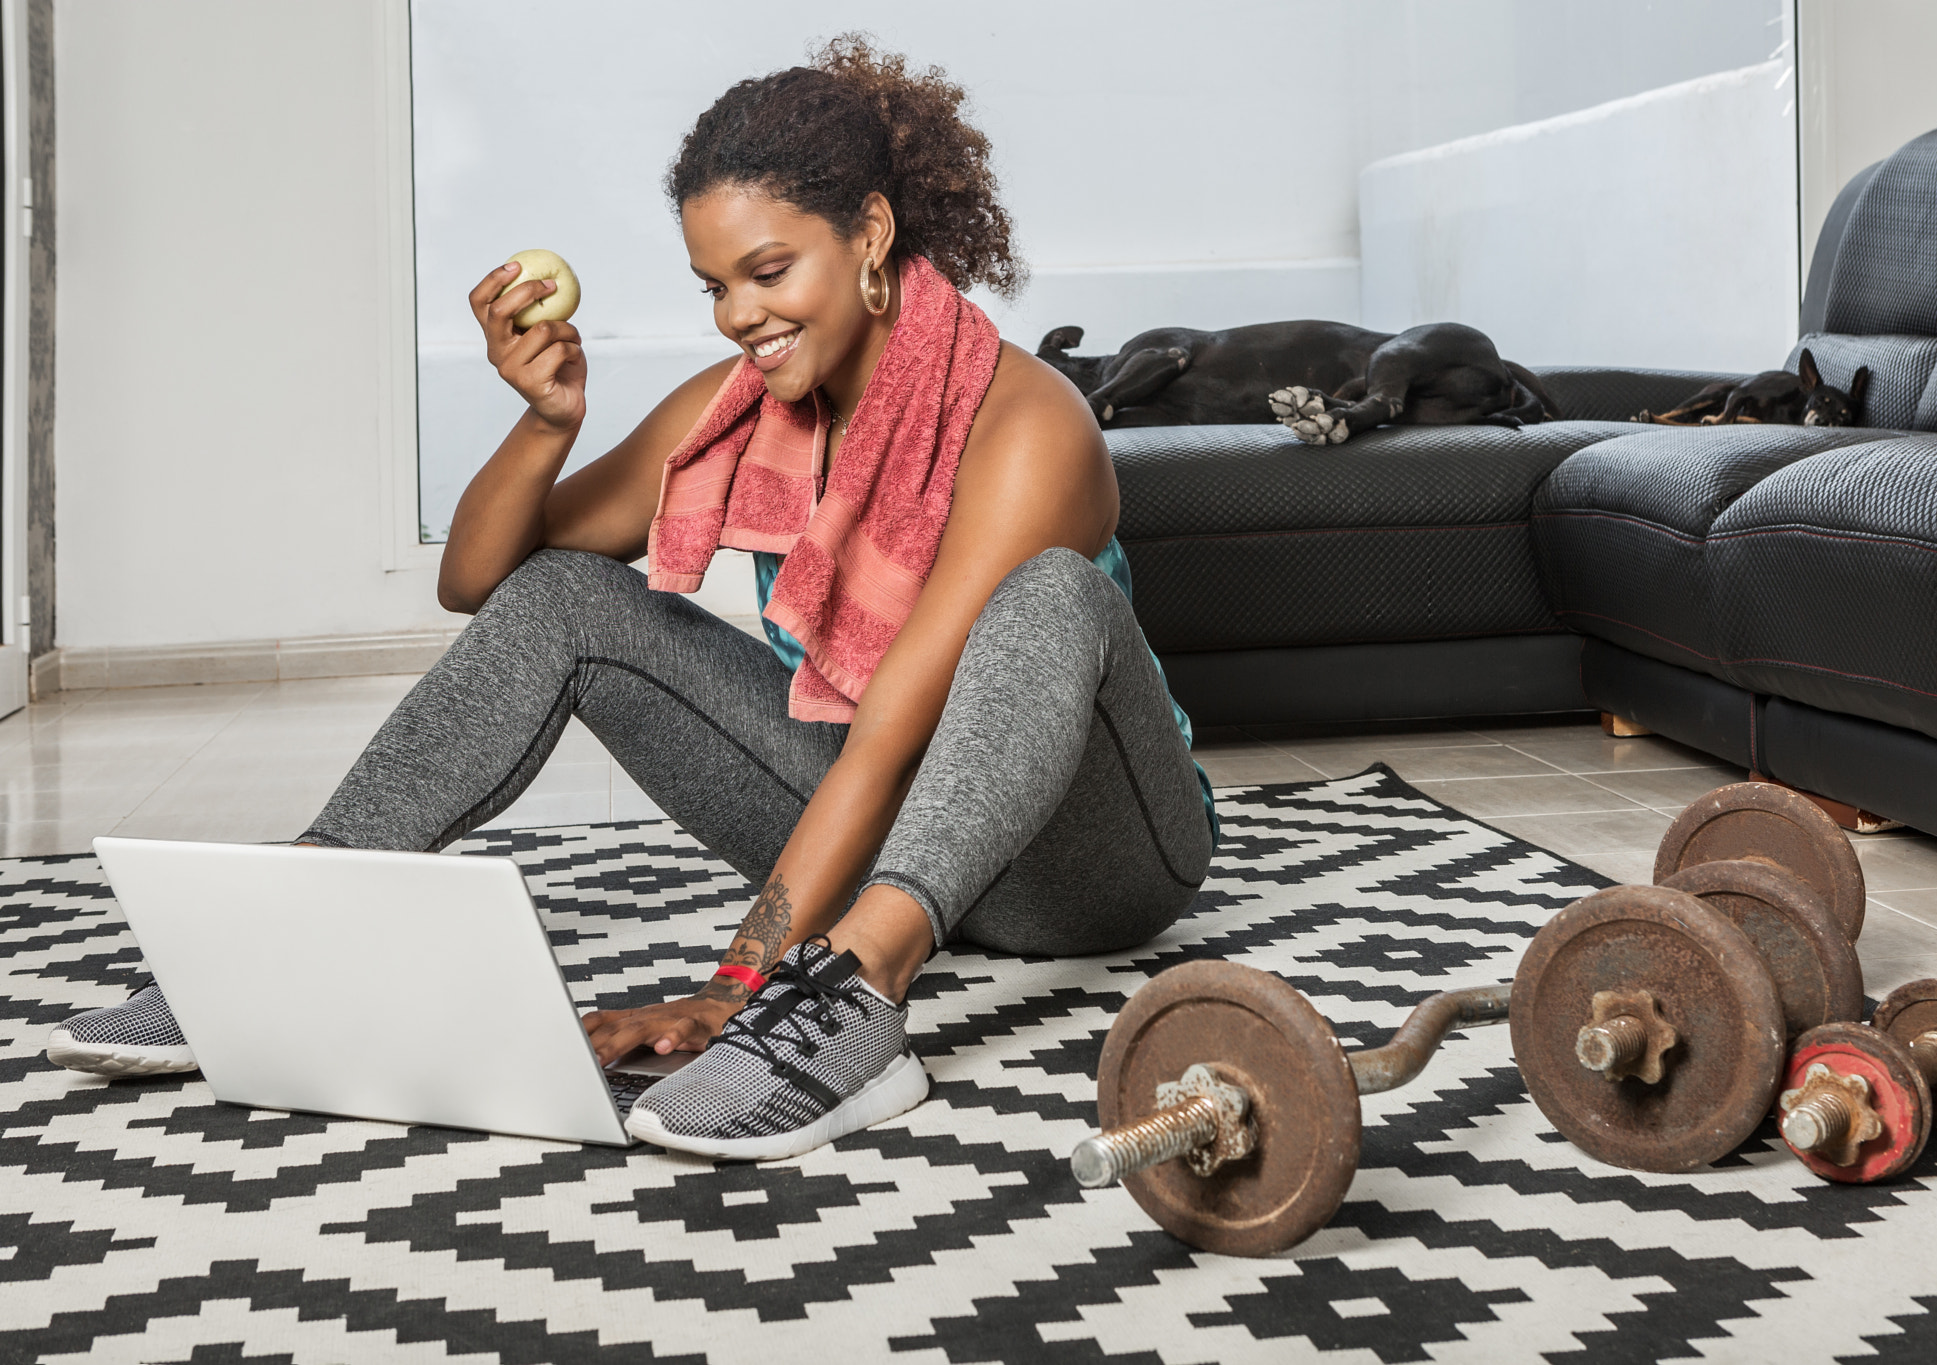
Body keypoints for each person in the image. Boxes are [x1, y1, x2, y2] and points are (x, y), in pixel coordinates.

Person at [45, 35, 1215, 1162]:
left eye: (769, 273)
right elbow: (488, 585)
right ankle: (272, 936)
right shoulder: (747, 402)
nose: (739, 316)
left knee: (1048, 599)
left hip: (1087, 860)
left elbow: (895, 736)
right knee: (566, 593)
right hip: (875, 825)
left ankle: (858, 997)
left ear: (868, 233)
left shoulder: (1028, 428)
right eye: (714, 286)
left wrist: (734, 991)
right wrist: (546, 423)